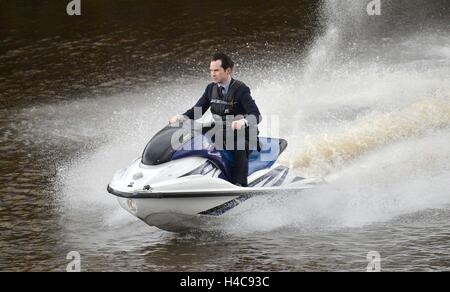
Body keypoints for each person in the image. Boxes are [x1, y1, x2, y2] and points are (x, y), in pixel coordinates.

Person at [169, 52, 262, 187]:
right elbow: (197, 111)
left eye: (217, 70)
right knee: (194, 135)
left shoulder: (241, 89)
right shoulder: (210, 88)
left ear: (228, 70)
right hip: (221, 130)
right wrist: (181, 117)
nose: (213, 74)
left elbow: (256, 115)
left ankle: (239, 184)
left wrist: (243, 122)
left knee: (238, 145)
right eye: (211, 71)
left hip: (245, 135)